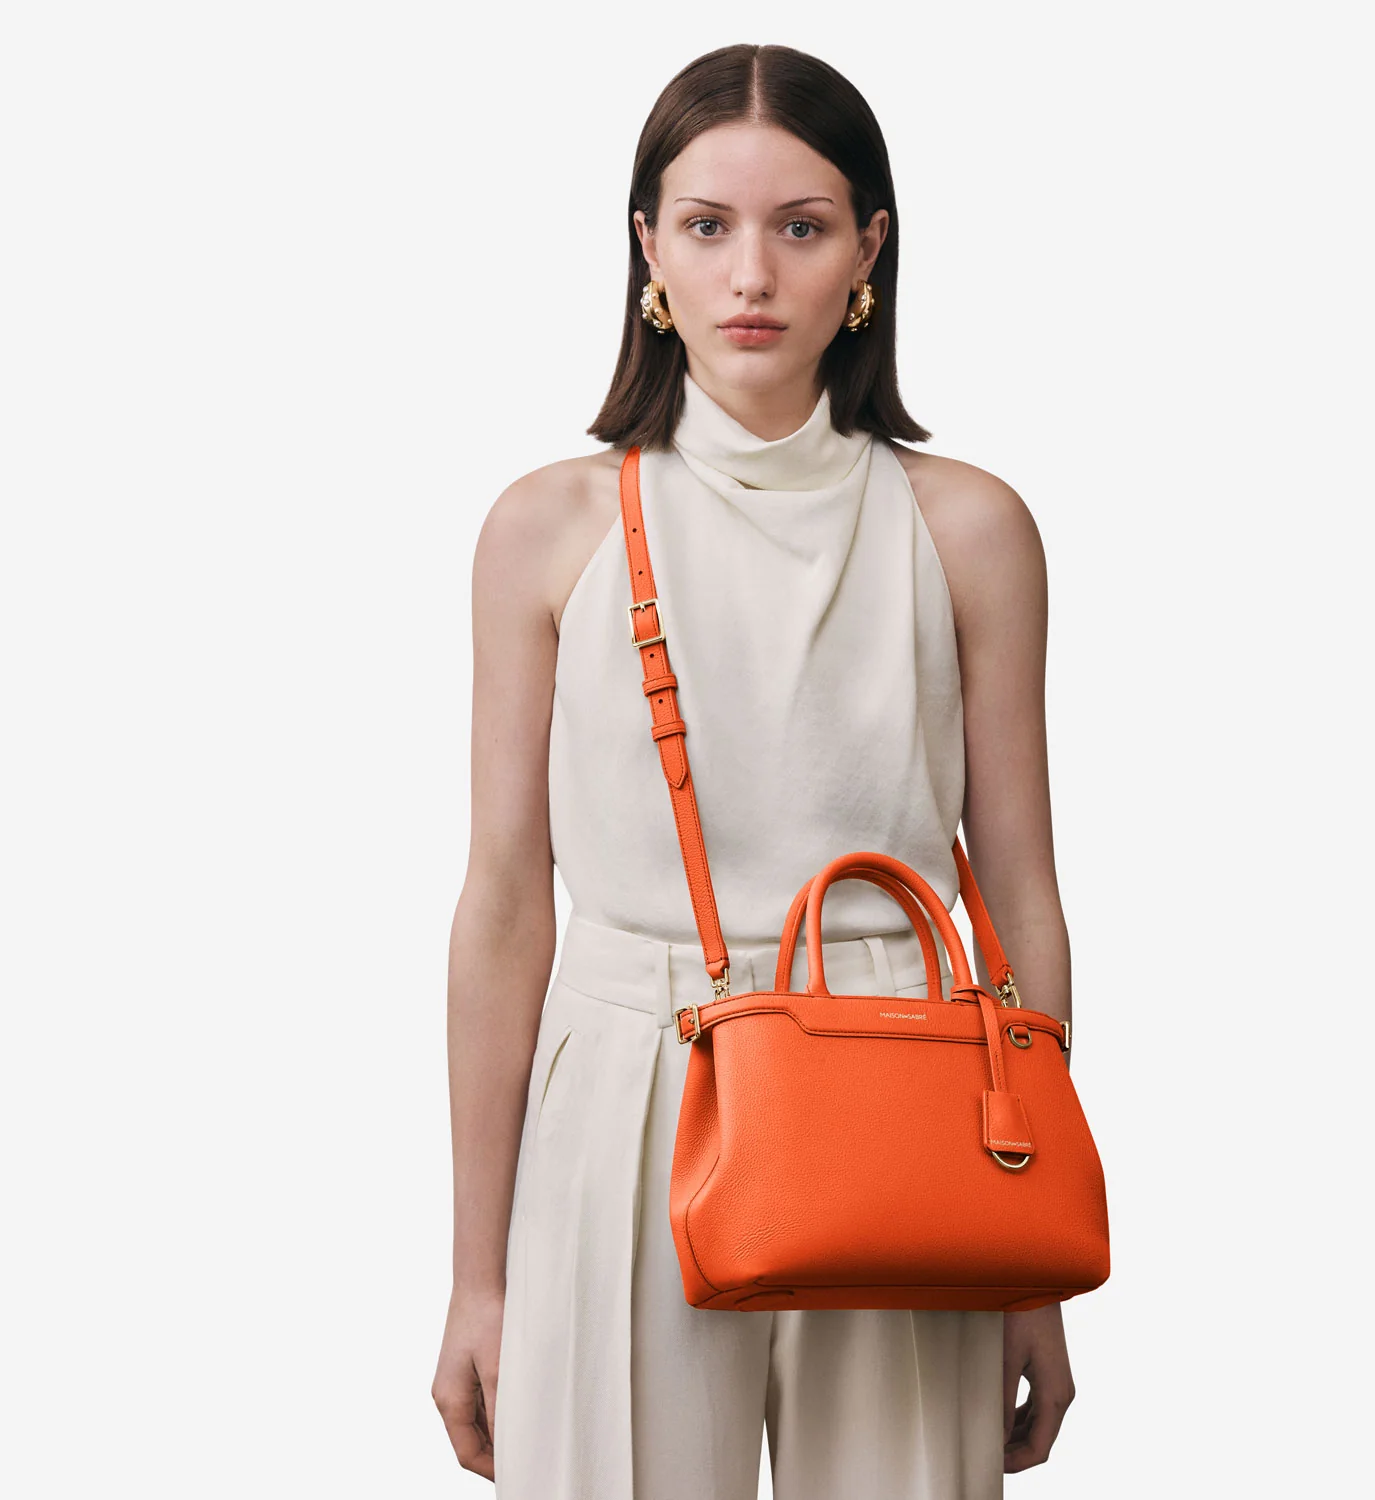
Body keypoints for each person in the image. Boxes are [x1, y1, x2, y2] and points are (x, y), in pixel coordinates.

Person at [432, 42, 1078, 1499]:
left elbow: (1023, 898)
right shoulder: (547, 529)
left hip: (903, 1084)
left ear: (869, 252)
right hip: (625, 1091)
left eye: (802, 225)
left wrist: (1029, 1258)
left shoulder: (968, 528)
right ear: (648, 249)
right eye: (708, 224)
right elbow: (503, 905)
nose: (753, 274)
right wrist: (478, 1274)